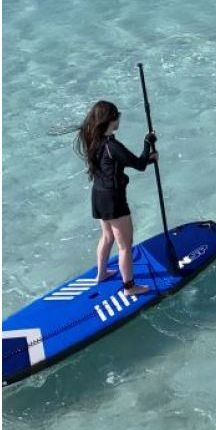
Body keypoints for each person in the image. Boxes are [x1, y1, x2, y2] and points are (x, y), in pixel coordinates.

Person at [75, 100, 158, 296]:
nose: (120, 117)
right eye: (118, 115)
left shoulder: (93, 140)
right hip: (114, 200)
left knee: (107, 237)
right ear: (112, 119)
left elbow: (118, 165)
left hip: (98, 196)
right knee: (125, 246)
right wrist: (148, 143)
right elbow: (138, 164)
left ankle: (101, 274)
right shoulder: (113, 146)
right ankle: (130, 287)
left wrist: (149, 157)